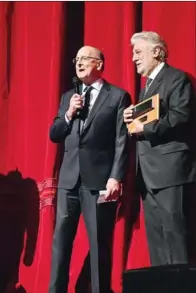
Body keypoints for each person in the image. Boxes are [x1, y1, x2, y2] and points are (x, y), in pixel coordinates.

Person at [49, 46, 131, 293]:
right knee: (60, 244)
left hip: (99, 181)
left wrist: (116, 176)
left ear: (100, 64)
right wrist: (68, 114)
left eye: (85, 58)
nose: (79, 63)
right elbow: (54, 134)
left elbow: (121, 140)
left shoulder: (117, 96)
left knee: (98, 245)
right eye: (77, 59)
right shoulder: (68, 97)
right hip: (68, 181)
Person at [124, 31, 196, 266]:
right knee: (156, 242)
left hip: (171, 170)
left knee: (176, 238)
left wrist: (142, 128)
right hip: (148, 173)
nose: (133, 58)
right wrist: (132, 117)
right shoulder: (148, 86)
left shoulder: (176, 79)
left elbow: (180, 116)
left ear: (157, 52)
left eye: (138, 52)